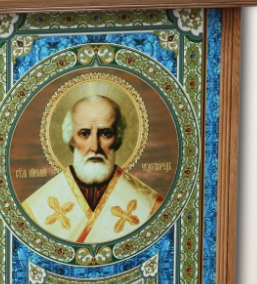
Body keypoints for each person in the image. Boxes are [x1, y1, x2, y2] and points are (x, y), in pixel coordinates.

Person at [22, 95, 162, 243]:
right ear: (71, 139)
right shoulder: (35, 210)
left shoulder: (150, 208)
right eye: (84, 133)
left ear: (117, 138)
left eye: (105, 133)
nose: (95, 147)